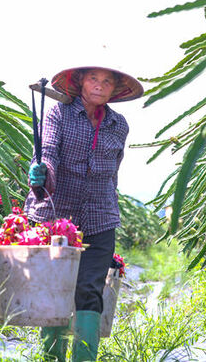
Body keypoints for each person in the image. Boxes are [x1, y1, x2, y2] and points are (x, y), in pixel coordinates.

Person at [24, 65, 143, 361]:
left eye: (107, 81)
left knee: (90, 289)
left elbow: (113, 170)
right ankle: (52, 357)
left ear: (115, 89)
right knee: (55, 289)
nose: (100, 86)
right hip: (57, 217)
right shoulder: (59, 114)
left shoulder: (119, 125)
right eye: (94, 79)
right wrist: (42, 175)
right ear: (80, 82)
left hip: (100, 216)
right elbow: (47, 152)